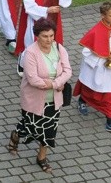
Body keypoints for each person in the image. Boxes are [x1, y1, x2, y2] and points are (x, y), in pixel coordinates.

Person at [7, 18, 72, 174]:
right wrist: (55, 83)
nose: (49, 39)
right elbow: (33, 78)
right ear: (37, 36)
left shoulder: (59, 48)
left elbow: (67, 70)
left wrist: (56, 83)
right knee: (30, 127)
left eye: (51, 35)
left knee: (49, 130)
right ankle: (16, 135)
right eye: (45, 36)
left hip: (54, 100)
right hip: (34, 100)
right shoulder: (30, 53)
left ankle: (41, 158)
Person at [74, 1, 111, 135]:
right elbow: (87, 52)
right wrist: (104, 57)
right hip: (97, 68)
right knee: (89, 88)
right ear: (102, 15)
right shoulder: (95, 31)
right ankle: (82, 100)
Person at [14, 0, 72, 76]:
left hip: (53, 19)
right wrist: (46, 10)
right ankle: (23, 63)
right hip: (36, 20)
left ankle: (48, 66)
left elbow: (66, 0)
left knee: (52, 42)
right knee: (32, 43)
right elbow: (28, 5)